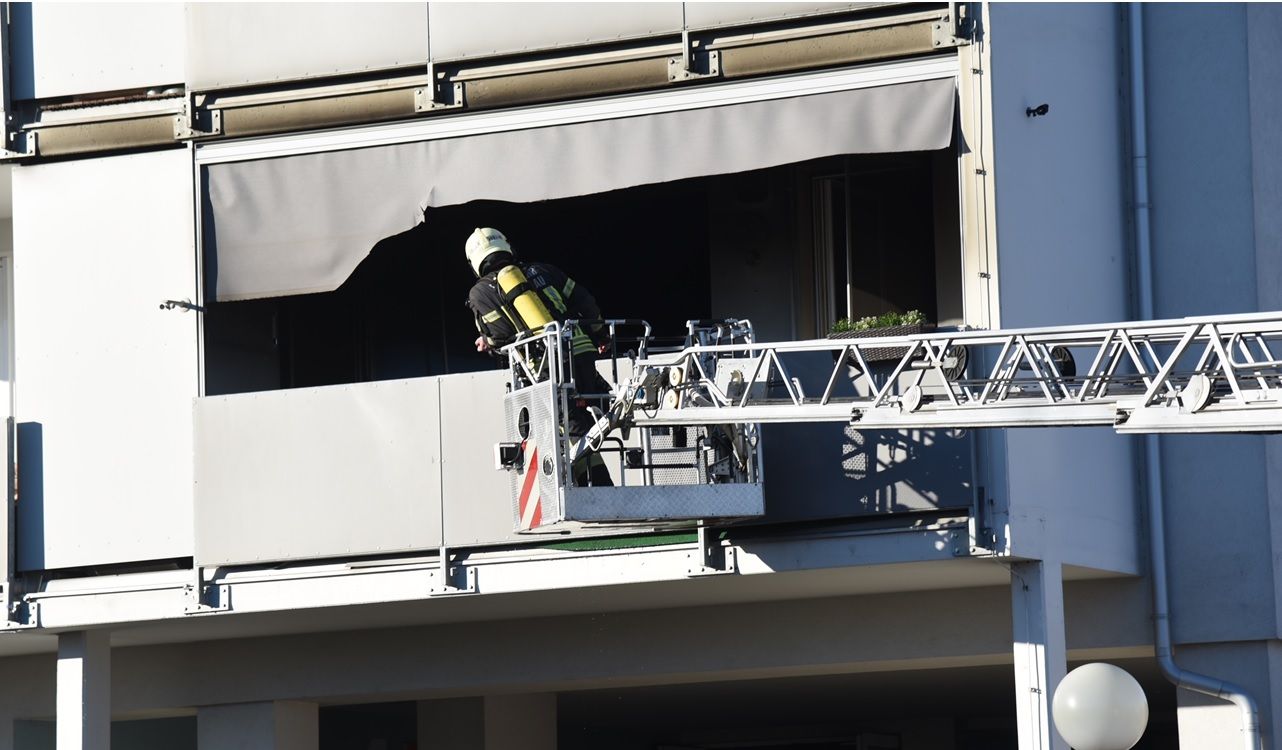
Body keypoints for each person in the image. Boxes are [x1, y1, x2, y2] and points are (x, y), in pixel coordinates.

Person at [464, 227, 614, 487]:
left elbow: (500, 336)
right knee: (587, 411)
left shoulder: (481, 292)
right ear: (506, 246)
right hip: (581, 351)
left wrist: (486, 341)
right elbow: (585, 301)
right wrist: (601, 336)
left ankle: (602, 491)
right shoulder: (543, 270)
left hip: (545, 365)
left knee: (570, 428)